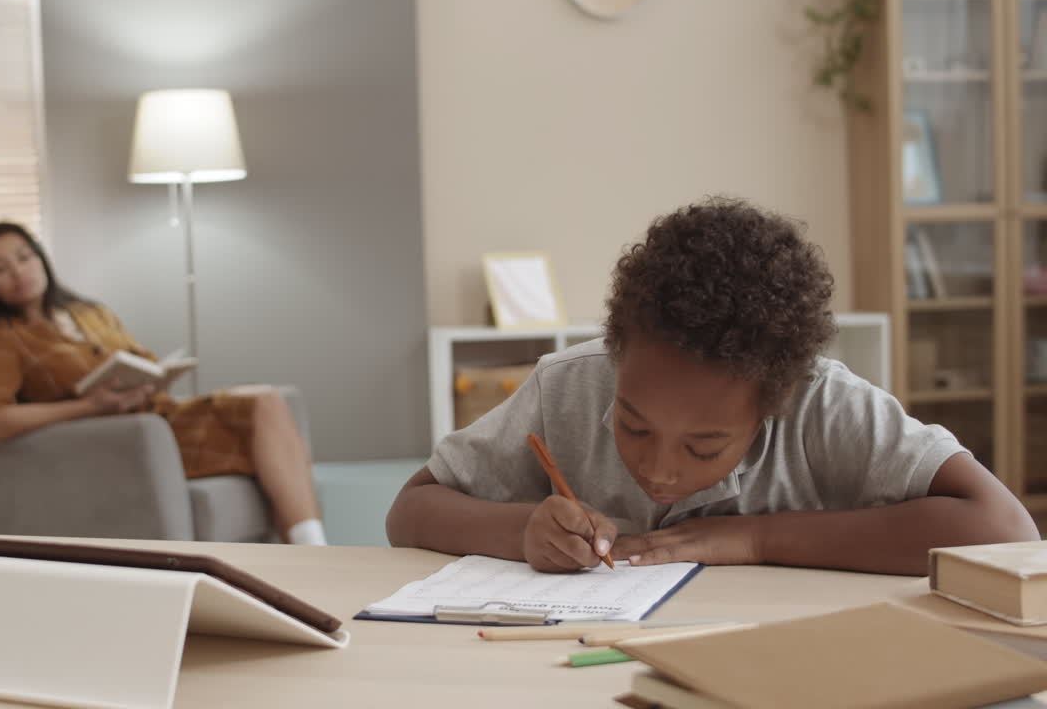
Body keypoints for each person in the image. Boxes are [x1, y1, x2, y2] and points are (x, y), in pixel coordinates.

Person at [386, 197, 1037, 576]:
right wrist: (523, 530)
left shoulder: (821, 403)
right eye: (633, 426)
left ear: (775, 403)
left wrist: (754, 538)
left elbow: (1006, 532)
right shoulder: (569, 385)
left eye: (704, 447)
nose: (658, 468)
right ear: (618, 357)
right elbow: (410, 511)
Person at [0, 221, 327, 546]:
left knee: (267, 400)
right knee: (267, 430)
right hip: (128, 441)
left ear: (40, 258)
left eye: (24, 257)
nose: (19, 272)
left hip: (164, 415)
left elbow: (141, 359)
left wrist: (154, 378)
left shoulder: (89, 312)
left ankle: (309, 549)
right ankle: (311, 551)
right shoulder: (1, 336)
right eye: (0, 269)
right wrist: (88, 406)